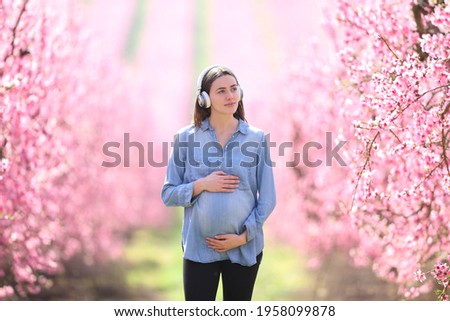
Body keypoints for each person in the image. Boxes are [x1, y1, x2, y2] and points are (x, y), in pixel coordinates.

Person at [161, 65, 276, 301]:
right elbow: (168, 194)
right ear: (204, 99)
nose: (230, 96)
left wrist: (243, 237)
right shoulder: (185, 138)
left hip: (244, 247)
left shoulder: (256, 138)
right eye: (221, 91)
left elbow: (268, 198)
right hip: (199, 249)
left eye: (234, 89)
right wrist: (201, 184)